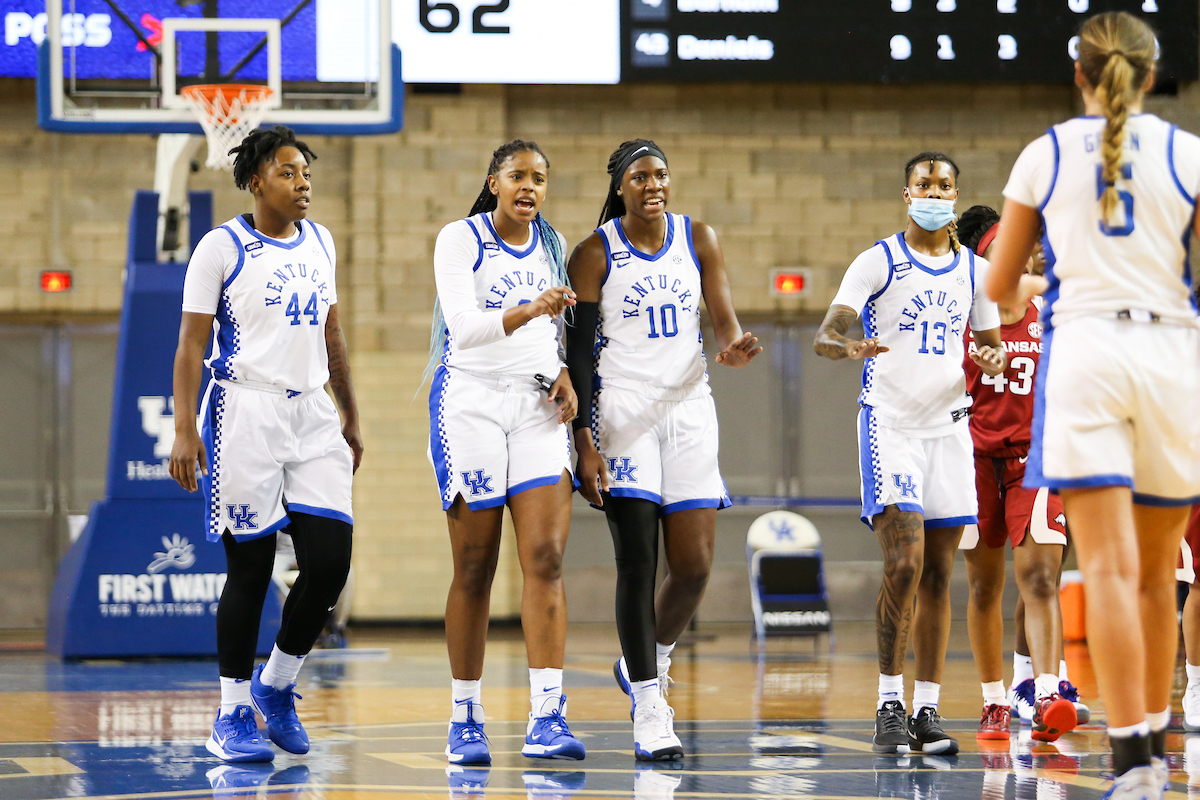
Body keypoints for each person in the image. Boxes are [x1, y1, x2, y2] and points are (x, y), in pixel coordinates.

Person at [987, 12, 1200, 798]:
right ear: (1150, 77)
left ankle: (1134, 761)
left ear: (1078, 74)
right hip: (1174, 356)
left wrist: (1041, 289)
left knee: (1104, 569)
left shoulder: (1044, 154)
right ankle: (1152, 746)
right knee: (1157, 574)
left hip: (1085, 355)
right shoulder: (1189, 153)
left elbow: (999, 288)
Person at [169, 126, 362, 763]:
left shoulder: (322, 242)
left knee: (330, 563)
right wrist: (182, 430)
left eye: (306, 173)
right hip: (243, 411)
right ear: (257, 180)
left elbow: (333, 337)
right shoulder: (219, 248)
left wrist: (349, 413)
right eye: (288, 172)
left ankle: (275, 684)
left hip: (312, 413)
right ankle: (230, 714)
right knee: (250, 570)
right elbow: (191, 347)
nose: (302, 183)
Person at [566, 138, 760, 761]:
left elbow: (722, 316)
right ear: (620, 186)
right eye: (641, 176)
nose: (654, 184)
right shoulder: (594, 253)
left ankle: (646, 658)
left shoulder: (697, 237)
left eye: (661, 175)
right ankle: (650, 705)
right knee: (638, 564)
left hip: (689, 405)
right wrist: (584, 440)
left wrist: (732, 343)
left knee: (696, 567)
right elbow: (578, 357)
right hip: (624, 411)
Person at [814, 152, 1007, 756]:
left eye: (944, 185)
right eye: (924, 183)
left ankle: (927, 711)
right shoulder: (879, 260)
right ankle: (888, 704)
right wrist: (844, 348)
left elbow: (990, 344)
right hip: (890, 427)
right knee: (904, 564)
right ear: (907, 193)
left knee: (941, 576)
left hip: (949, 431)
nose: (934, 192)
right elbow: (827, 331)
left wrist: (990, 359)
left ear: (955, 195)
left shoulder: (976, 272)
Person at [428, 139, 584, 766]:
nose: (530, 186)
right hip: (471, 402)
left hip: (537, 405)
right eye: (518, 175)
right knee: (475, 567)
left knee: (544, 557)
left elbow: (554, 330)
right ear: (493, 181)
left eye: (540, 178)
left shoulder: (553, 243)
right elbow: (463, 328)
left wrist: (564, 371)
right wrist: (530, 309)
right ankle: (466, 714)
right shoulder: (460, 239)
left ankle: (547, 714)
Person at [954, 205, 1088, 742]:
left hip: (1034, 460)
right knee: (984, 586)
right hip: (971, 459)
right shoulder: (961, 312)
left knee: (1039, 579)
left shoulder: (1047, 309)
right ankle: (994, 700)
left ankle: (1048, 690)